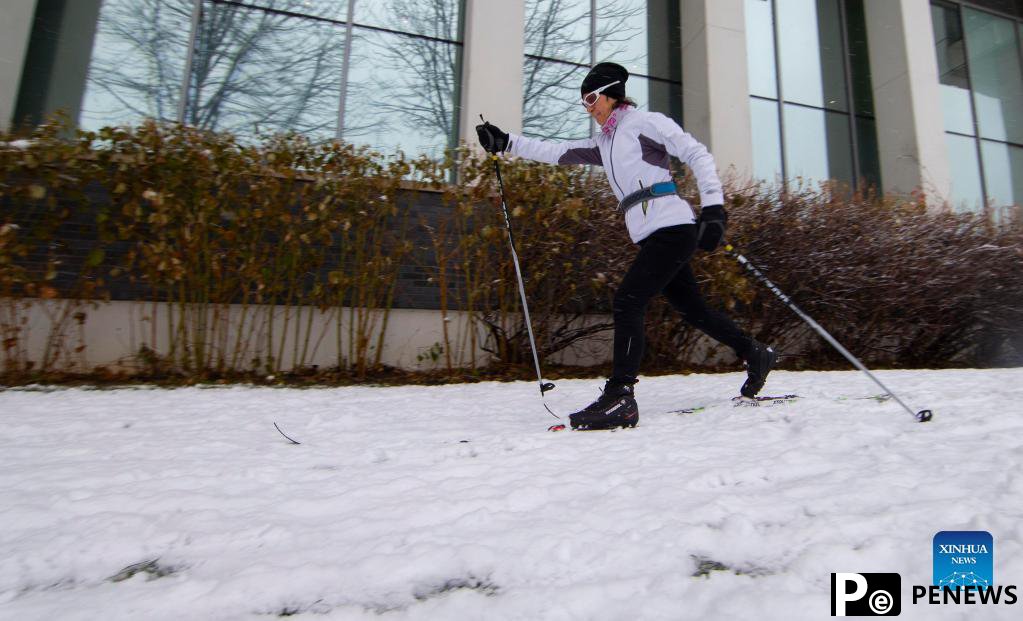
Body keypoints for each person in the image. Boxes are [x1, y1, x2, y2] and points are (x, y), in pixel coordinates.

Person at [476, 62, 775, 431]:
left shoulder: (645, 123)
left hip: (673, 226)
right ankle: (755, 352)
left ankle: (621, 397)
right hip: (653, 234)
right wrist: (506, 142)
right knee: (692, 309)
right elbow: (557, 151)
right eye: (583, 102)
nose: (589, 108)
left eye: (592, 98)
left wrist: (714, 207)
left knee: (628, 300)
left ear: (611, 93)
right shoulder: (605, 142)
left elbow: (696, 153)